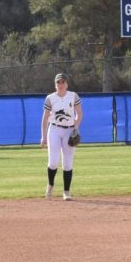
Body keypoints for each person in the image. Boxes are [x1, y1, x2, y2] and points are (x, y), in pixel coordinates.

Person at [39, 73, 83, 201]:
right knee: (53, 162)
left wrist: (75, 128)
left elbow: (79, 113)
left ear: (67, 84)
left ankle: (66, 191)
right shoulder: (50, 98)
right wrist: (43, 137)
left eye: (63, 82)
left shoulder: (73, 96)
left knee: (67, 163)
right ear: (55, 85)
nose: (61, 84)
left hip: (69, 130)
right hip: (54, 130)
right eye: (59, 82)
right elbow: (45, 118)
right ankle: (51, 185)